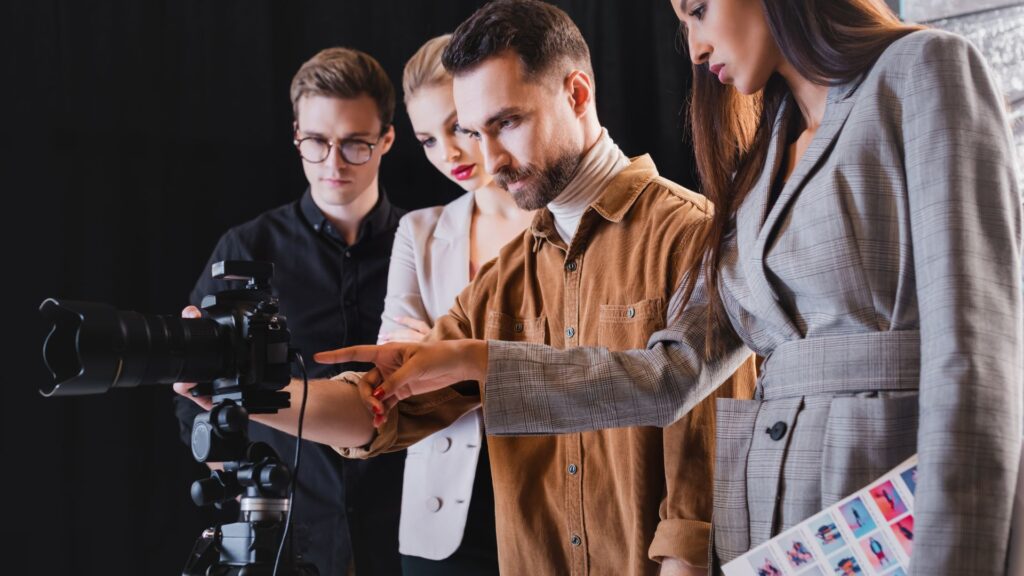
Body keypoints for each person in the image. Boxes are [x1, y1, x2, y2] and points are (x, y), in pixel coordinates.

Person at [321, 0, 1023, 574]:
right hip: (783, 529)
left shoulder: (924, 69)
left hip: (890, 501)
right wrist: (479, 361)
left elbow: (981, 359)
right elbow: (666, 375)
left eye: (698, 10)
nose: (693, 46)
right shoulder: (760, 157)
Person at [178, 2, 757, 574]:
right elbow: (379, 408)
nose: (490, 159)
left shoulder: (690, 234)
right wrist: (247, 387)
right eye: (474, 132)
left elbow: (706, 473)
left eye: (508, 123)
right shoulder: (506, 278)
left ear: (578, 94)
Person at [172, 47, 406, 576]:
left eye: (355, 144)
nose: (334, 163)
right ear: (296, 133)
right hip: (282, 538)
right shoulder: (245, 248)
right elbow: (193, 409)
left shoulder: (425, 244)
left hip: (407, 534)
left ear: (387, 139)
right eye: (317, 142)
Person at [382, 33, 534, 574]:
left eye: (457, 127)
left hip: (553, 505)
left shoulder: (563, 224)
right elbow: (395, 373)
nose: (447, 153)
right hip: (439, 516)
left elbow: (588, 364)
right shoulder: (418, 232)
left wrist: (443, 355)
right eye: (426, 139)